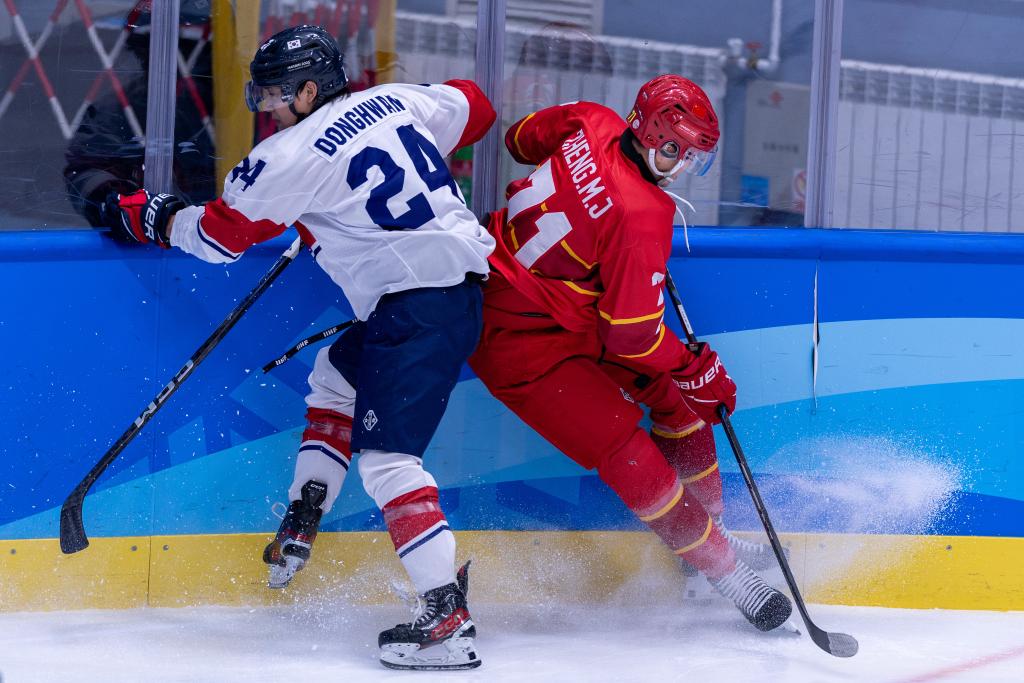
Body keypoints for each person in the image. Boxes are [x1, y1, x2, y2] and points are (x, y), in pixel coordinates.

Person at [100, 25, 495, 670]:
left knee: (388, 463)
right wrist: (333, 209)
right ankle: (306, 512)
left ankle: (447, 617)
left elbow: (220, 238)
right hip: (451, 294)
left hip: (415, 304)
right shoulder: (397, 100)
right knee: (335, 376)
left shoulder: (289, 155)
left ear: (310, 90)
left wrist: (159, 218)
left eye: (275, 94)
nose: (267, 108)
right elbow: (476, 107)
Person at [468, 74, 793, 632]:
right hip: (514, 336)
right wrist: (694, 367)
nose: (682, 167)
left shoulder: (592, 118)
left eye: (692, 156)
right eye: (677, 152)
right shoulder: (643, 214)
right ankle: (725, 571)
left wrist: (590, 210)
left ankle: (707, 538)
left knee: (679, 402)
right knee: (625, 444)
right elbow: (631, 336)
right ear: (652, 137)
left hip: (566, 312)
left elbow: (519, 139)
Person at [64, 0, 216, 228]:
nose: (171, 63)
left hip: (225, 231)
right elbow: (88, 168)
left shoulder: (254, 111)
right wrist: (114, 200)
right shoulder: (119, 110)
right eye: (150, 50)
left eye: (189, 50)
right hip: (157, 234)